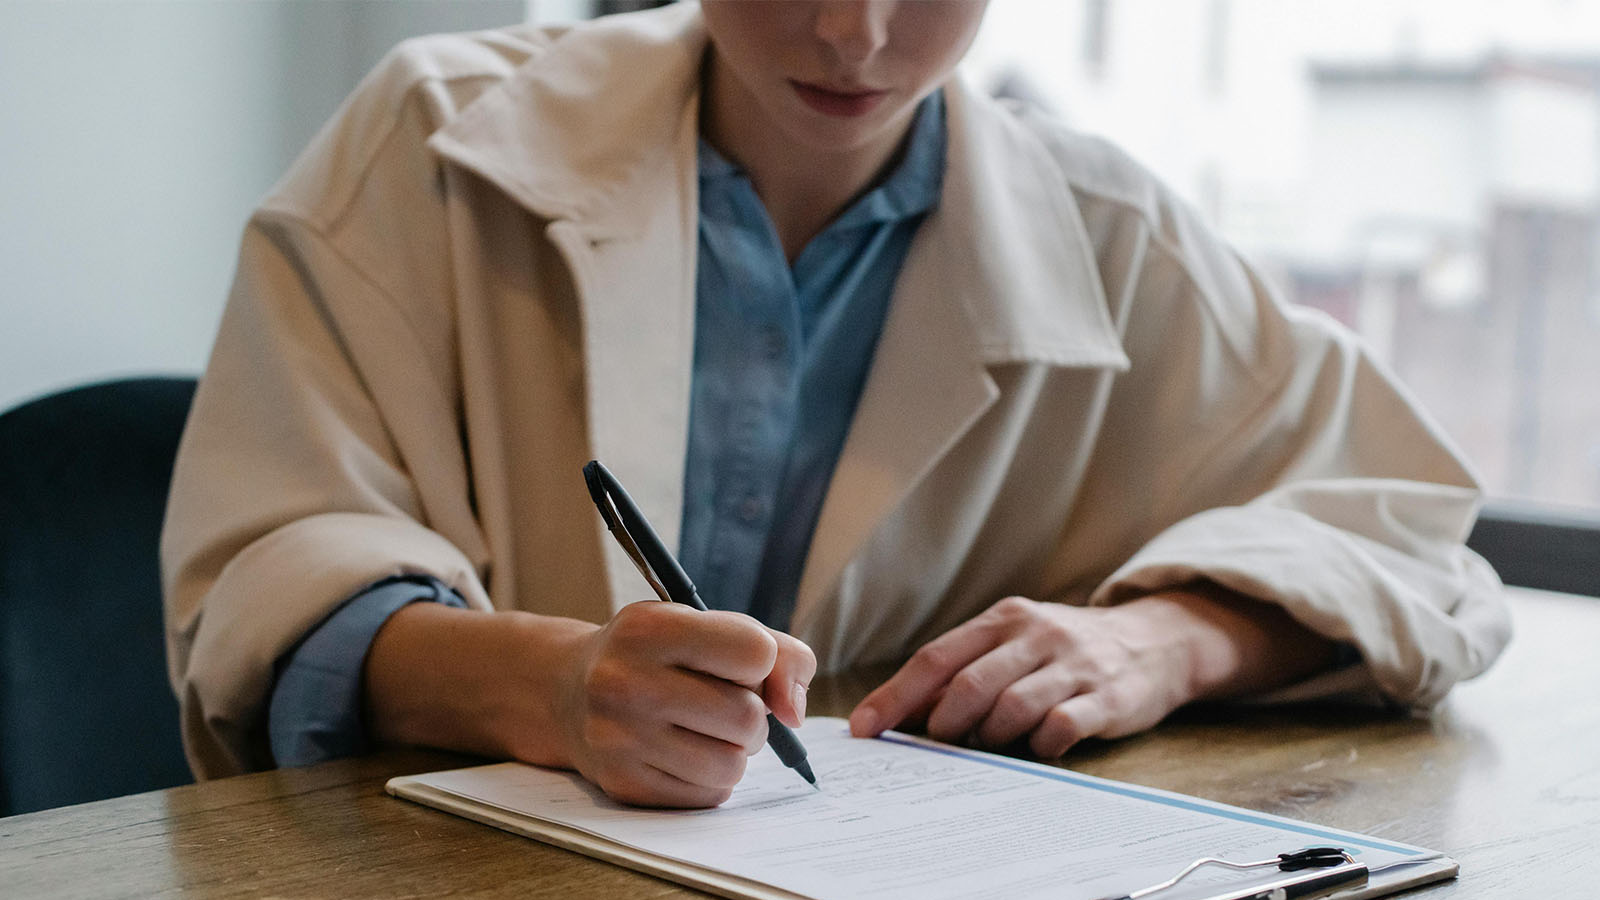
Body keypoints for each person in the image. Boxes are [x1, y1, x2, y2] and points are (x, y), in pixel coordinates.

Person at [161, 0, 1510, 808]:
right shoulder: (431, 138)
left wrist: (1165, 642)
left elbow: (1417, 542)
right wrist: (555, 691)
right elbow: (270, 578)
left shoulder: (1114, 239)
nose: (855, 35)